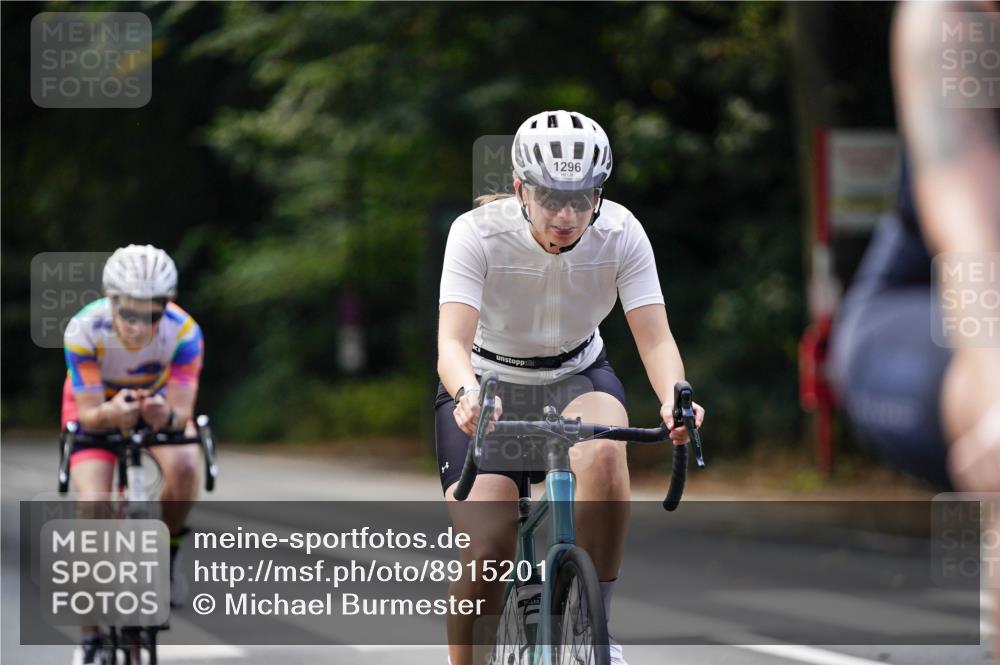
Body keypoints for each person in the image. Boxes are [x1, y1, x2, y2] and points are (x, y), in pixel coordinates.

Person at [435, 110, 704, 665]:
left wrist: (675, 399)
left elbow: (654, 339)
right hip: (489, 384)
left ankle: (593, 621)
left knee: (605, 453)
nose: (566, 214)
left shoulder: (622, 232)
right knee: (488, 551)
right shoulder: (476, 233)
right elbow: (451, 344)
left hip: (577, 372)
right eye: (551, 197)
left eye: (583, 198)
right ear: (519, 190)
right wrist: (467, 394)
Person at [63, 244, 204, 665]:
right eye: (129, 314)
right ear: (112, 301)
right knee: (92, 505)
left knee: (185, 462)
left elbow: (183, 413)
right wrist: (111, 414)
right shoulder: (83, 330)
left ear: (167, 305)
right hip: (95, 409)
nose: (140, 327)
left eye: (152, 315)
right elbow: (88, 413)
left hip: (153, 402)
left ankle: (170, 550)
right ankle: (90, 636)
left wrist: (167, 414)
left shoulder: (185, 332)